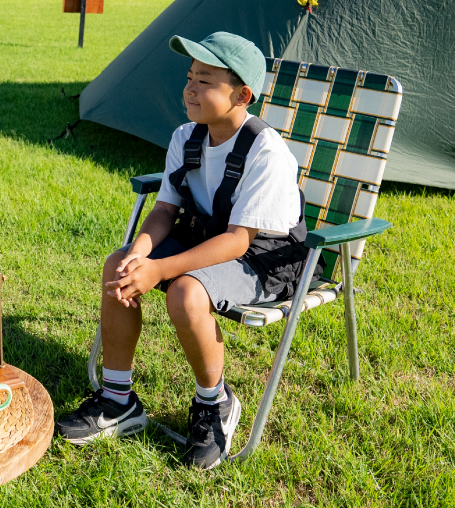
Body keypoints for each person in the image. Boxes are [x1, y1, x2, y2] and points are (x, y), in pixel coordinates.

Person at [54, 32, 313, 470]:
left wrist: (162, 270)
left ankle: (215, 405)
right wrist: (140, 253)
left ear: (242, 94)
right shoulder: (186, 137)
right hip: (204, 237)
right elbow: (164, 210)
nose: (189, 88)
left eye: (205, 81)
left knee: (185, 293)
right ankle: (118, 400)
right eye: (190, 77)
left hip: (265, 259)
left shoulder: (265, 151)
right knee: (118, 264)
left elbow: (238, 241)